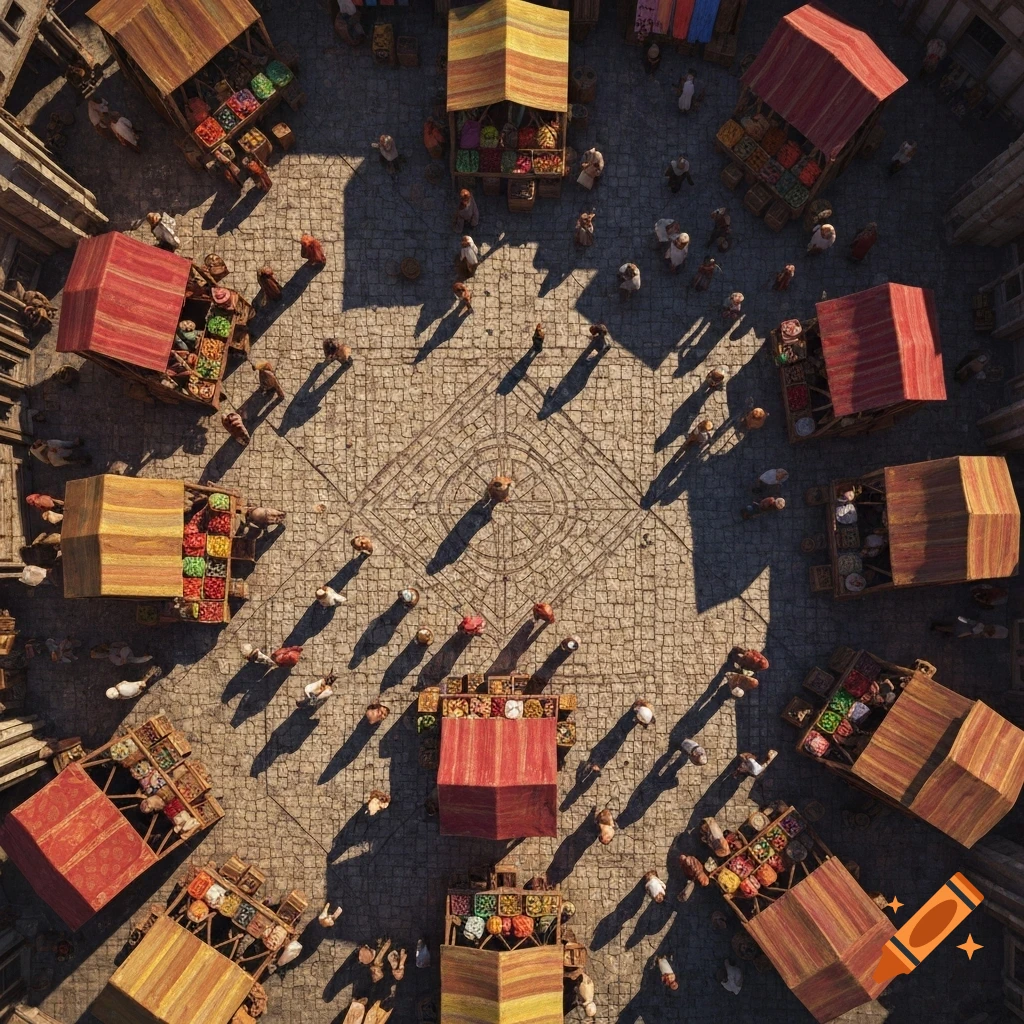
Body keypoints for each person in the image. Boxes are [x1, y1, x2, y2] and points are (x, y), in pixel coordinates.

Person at [931, 616, 1009, 639]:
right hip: (962, 628)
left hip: (962, 628)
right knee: (950, 628)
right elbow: (970, 630)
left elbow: (970, 631)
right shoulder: (980, 627)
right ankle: (937, 627)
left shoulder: (980, 627)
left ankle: (937, 627)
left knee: (950, 628)